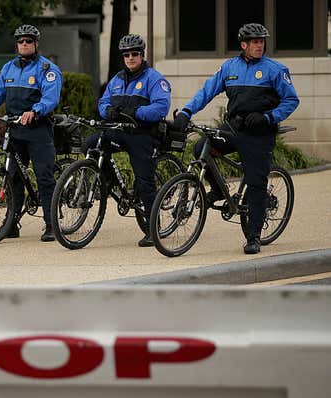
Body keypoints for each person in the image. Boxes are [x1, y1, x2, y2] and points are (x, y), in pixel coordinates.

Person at [173, 23, 299, 254]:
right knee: (202, 146)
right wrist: (186, 112)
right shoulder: (229, 67)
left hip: (259, 132)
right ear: (244, 45)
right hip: (233, 128)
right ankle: (219, 191)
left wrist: (269, 117)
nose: (259, 45)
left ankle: (254, 236)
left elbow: (291, 100)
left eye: (262, 41)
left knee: (256, 183)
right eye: (255, 42)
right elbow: (206, 91)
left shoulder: (275, 69)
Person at [0, 24, 62, 242]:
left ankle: (51, 224)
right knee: (13, 177)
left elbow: (51, 98)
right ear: (17, 44)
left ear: (36, 44)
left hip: (38, 129)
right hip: (15, 129)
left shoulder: (47, 69)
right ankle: (11, 224)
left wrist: (35, 111)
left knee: (44, 177)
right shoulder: (8, 68)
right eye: (21, 41)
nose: (24, 44)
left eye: (28, 41)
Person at [81, 34, 171, 247]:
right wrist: (108, 111)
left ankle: (152, 228)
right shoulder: (118, 79)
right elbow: (103, 101)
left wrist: (137, 111)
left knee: (145, 181)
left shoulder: (154, 79)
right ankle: (108, 179)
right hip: (120, 131)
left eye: (134, 54)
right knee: (90, 144)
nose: (130, 58)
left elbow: (161, 107)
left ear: (142, 55)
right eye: (126, 55)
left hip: (143, 134)